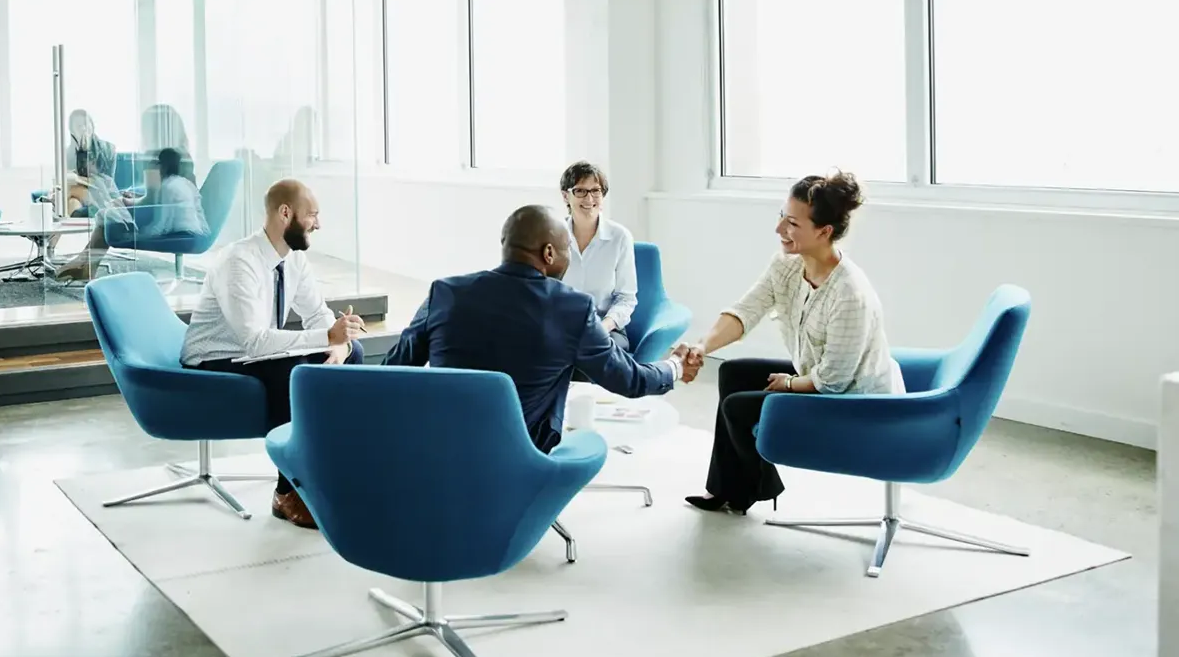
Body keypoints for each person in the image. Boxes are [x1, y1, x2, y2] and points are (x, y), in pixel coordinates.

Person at [674, 172, 903, 515]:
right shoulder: (787, 265)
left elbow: (835, 381)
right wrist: (702, 347)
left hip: (855, 400)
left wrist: (790, 384)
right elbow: (746, 310)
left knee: (738, 407)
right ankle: (727, 490)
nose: (779, 228)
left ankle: (759, 487)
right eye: (782, 216)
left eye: (792, 223)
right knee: (733, 374)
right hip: (822, 379)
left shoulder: (849, 294)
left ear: (824, 232)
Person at [383, 204, 684, 454]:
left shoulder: (444, 293)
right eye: (567, 249)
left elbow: (391, 370)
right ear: (549, 253)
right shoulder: (573, 308)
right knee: (587, 440)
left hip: (441, 449)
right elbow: (628, 379)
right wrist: (675, 366)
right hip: (522, 458)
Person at [180, 179, 367, 529]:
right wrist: (327, 335)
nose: (318, 224)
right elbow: (253, 341)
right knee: (292, 372)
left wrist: (338, 344)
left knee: (352, 353)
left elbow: (317, 314)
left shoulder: (293, 259)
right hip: (214, 358)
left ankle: (327, 475)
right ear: (285, 213)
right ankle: (287, 492)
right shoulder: (239, 261)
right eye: (312, 215)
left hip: (257, 354)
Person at [54, 147, 205, 282]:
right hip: (179, 228)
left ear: (163, 165)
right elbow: (153, 203)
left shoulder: (169, 187)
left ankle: (85, 263)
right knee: (109, 213)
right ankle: (86, 264)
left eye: (155, 163)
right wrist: (132, 200)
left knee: (108, 215)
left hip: (178, 231)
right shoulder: (176, 183)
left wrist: (143, 233)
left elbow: (161, 219)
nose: (152, 166)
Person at [557, 161, 637, 350]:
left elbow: (626, 298)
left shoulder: (620, 237)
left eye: (596, 191)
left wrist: (602, 328)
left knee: (592, 351)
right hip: (561, 326)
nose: (589, 198)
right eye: (580, 191)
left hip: (606, 328)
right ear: (566, 196)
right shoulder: (553, 234)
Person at [65, 110, 120, 216]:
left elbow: (108, 181)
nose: (83, 128)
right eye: (79, 126)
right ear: (72, 131)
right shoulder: (68, 154)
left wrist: (81, 179)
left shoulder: (108, 149)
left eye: (86, 124)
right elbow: (68, 179)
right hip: (79, 192)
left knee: (71, 194)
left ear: (92, 125)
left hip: (102, 191)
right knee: (72, 202)